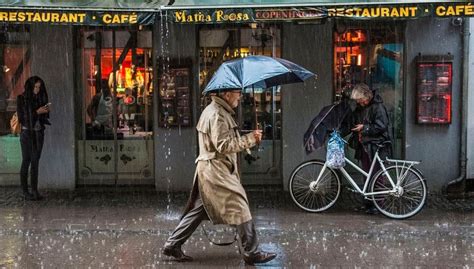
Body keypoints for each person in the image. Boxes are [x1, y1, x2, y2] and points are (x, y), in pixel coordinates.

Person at [162, 89, 277, 265]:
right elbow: (223, 145)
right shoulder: (217, 114)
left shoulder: (217, 111)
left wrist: (251, 137)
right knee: (240, 205)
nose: (240, 95)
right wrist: (250, 139)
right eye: (236, 92)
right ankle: (251, 252)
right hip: (216, 170)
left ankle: (172, 244)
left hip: (212, 169)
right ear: (226, 94)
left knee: (201, 209)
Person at [348, 83, 392, 214]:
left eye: (360, 100)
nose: (359, 102)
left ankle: (379, 205)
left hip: (376, 145)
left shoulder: (378, 107)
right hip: (366, 146)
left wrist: (364, 128)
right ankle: (368, 202)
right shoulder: (361, 108)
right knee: (367, 175)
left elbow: (382, 126)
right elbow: (354, 120)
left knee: (377, 176)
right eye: (357, 101)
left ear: (367, 96)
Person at [16, 76, 50, 201]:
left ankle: (34, 190)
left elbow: (41, 118)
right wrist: (37, 112)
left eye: (39, 87)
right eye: (35, 87)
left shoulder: (39, 98)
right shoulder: (22, 99)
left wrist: (45, 111)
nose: (37, 89)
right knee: (27, 160)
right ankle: (25, 191)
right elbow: (23, 118)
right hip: (27, 134)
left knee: (35, 161)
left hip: (38, 133)